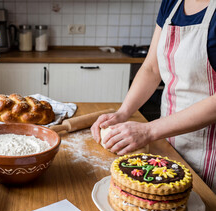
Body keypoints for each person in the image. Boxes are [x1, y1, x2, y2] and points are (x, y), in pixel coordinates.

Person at [91, 0, 216, 192]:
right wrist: (123, 113)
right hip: (168, 142)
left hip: (209, 152)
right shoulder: (172, 3)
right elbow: (151, 68)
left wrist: (148, 131)